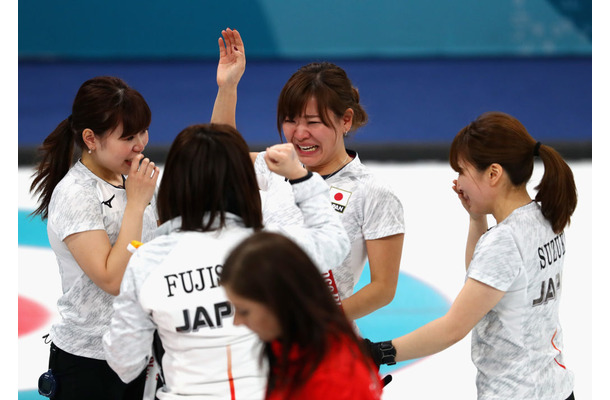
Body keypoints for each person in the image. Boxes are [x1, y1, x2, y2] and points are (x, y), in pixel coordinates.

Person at [102, 123, 350, 399]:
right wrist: (300, 178)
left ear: (175, 184)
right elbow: (334, 245)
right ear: (243, 182)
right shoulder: (270, 246)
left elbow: (124, 362)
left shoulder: (148, 261)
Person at [367, 112, 577, 400]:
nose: (459, 182)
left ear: (493, 174)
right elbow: (484, 285)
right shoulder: (545, 216)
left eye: (462, 171)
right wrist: (476, 218)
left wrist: (377, 352)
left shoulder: (504, 241)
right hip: (556, 388)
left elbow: (453, 328)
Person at [211, 28, 405, 321]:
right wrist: (228, 87)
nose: (300, 134)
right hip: (256, 335)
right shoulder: (276, 165)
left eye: (313, 122)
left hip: (321, 342)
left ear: (346, 120)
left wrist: (316, 323)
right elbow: (221, 155)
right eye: (290, 120)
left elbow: (382, 288)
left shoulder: (373, 193)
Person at [29, 76, 160, 399]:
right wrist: (136, 205)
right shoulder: (76, 194)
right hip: (90, 363)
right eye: (128, 136)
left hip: (143, 353)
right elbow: (111, 278)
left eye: (143, 131)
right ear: (91, 138)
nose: (140, 144)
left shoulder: (133, 179)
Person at [220, 231, 384, 400]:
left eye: (244, 311)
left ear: (280, 303)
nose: (236, 322)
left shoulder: (334, 382)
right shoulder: (290, 346)